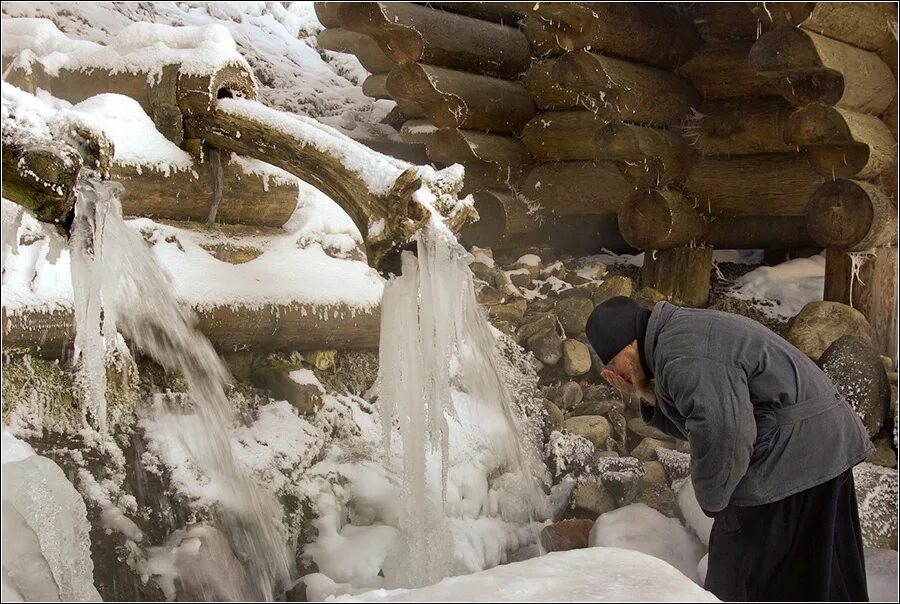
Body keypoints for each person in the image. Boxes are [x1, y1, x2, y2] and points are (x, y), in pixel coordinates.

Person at [584, 296, 873, 602]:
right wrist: (642, 390)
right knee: (820, 573)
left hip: (795, 450)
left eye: (613, 363)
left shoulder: (682, 354)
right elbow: (698, 414)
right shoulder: (678, 336)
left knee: (738, 576)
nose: (615, 374)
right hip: (820, 442)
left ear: (628, 345)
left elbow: (723, 429)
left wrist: (714, 500)